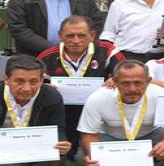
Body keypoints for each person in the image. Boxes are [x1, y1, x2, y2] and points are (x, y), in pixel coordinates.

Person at [36, 15, 126, 158]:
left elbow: (126, 72)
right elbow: (35, 83)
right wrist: (44, 87)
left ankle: (97, 149)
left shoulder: (107, 50)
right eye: (70, 36)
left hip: (99, 109)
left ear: (92, 35)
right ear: (60, 36)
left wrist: (116, 79)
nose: (76, 41)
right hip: (63, 110)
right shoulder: (47, 56)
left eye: (82, 35)